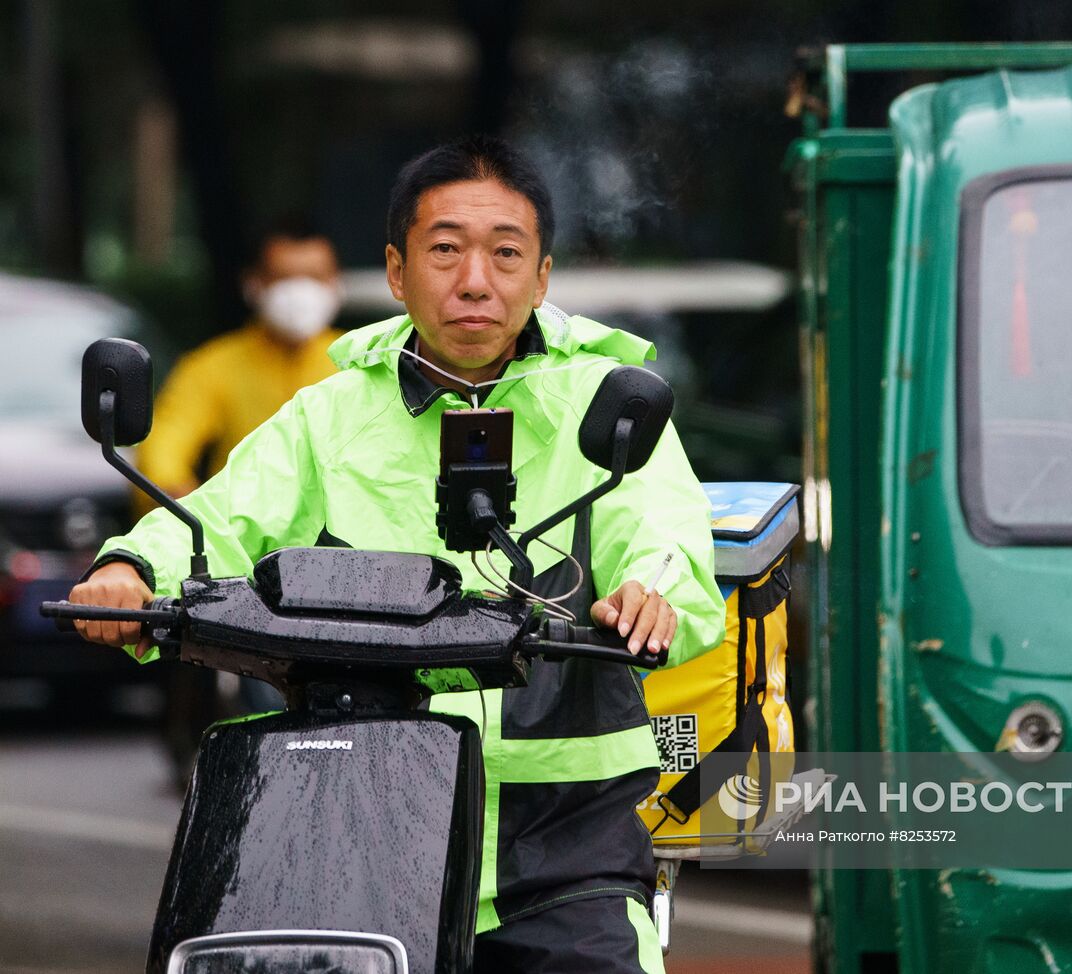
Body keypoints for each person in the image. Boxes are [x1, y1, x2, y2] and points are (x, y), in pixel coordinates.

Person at [67, 136, 725, 972]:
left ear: (543, 276)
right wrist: (131, 570)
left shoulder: (610, 406)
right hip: (356, 824)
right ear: (396, 269)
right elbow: (218, 518)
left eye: (505, 253)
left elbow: (666, 536)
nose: (475, 279)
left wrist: (647, 593)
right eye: (445, 250)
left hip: (567, 848)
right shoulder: (329, 417)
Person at [138, 219, 346, 503]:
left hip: (345, 544)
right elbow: (164, 447)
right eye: (283, 278)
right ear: (253, 283)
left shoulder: (360, 359)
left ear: (336, 283)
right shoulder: (211, 366)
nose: (300, 292)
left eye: (314, 277)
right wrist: (187, 510)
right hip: (240, 539)